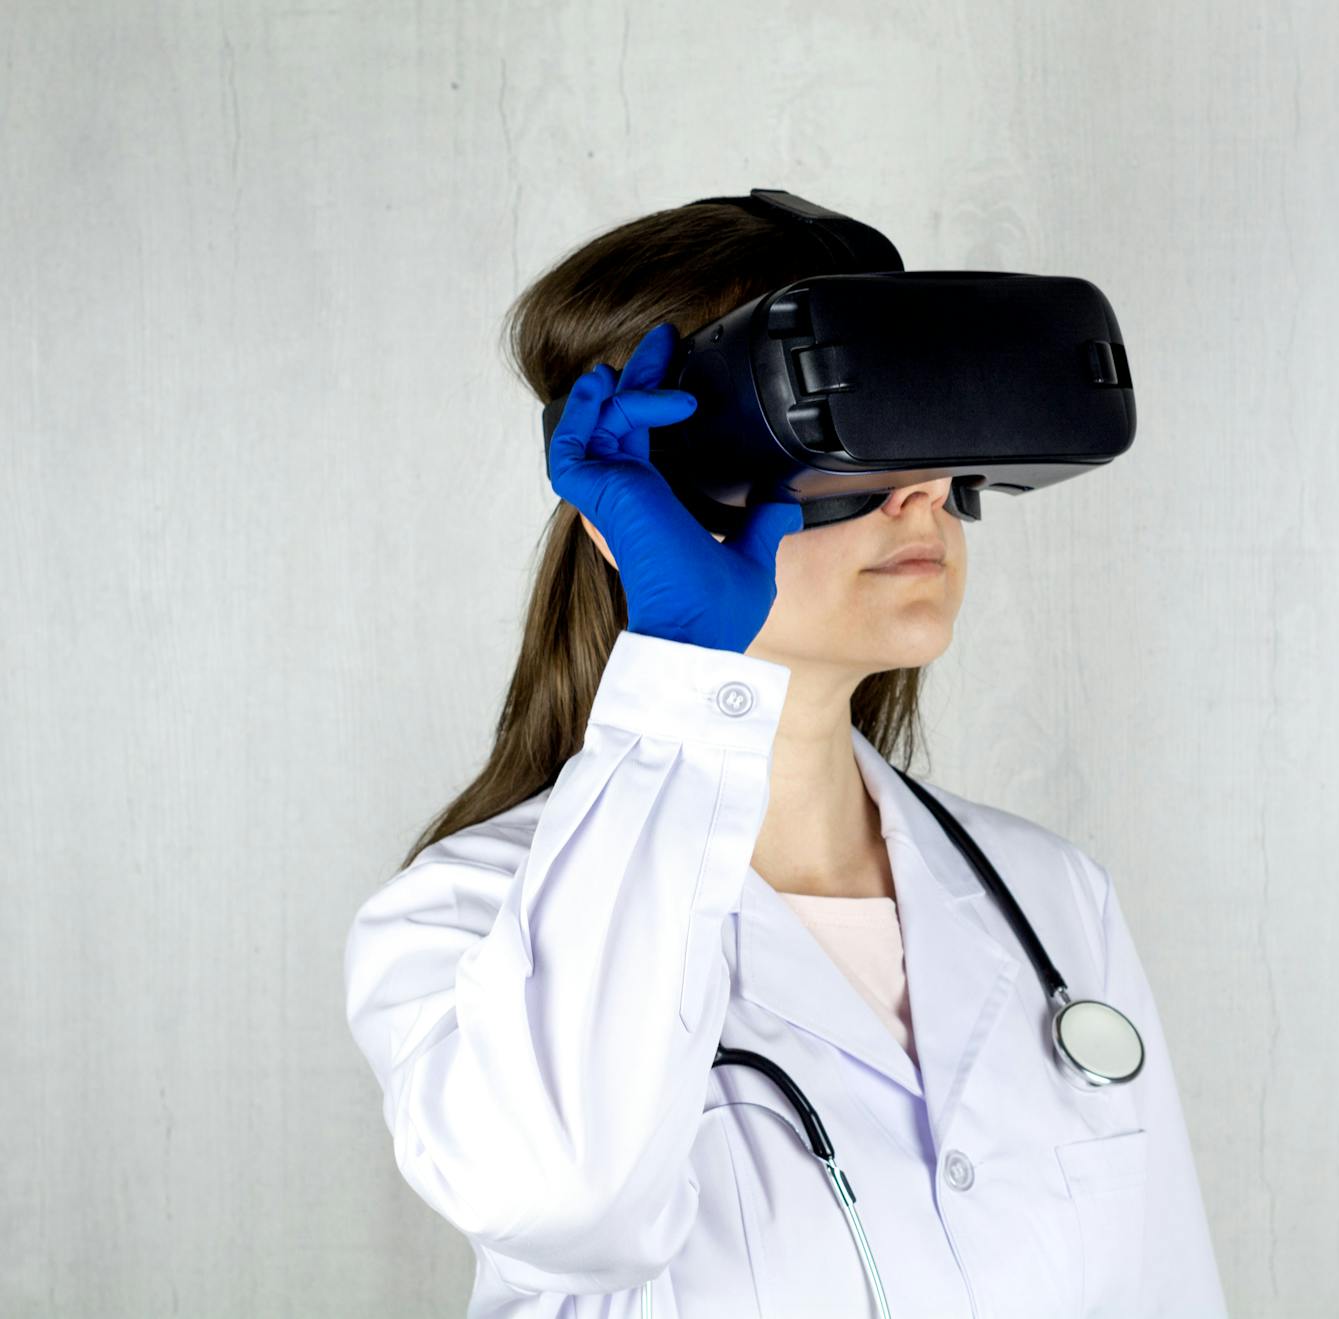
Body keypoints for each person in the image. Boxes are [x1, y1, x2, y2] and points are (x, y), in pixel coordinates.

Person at [341, 199, 1227, 1317]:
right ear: (656, 485)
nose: (920, 492)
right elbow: (568, 1204)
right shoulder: (462, 918)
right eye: (836, 424)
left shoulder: (1055, 898)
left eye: (925, 423)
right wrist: (679, 667)